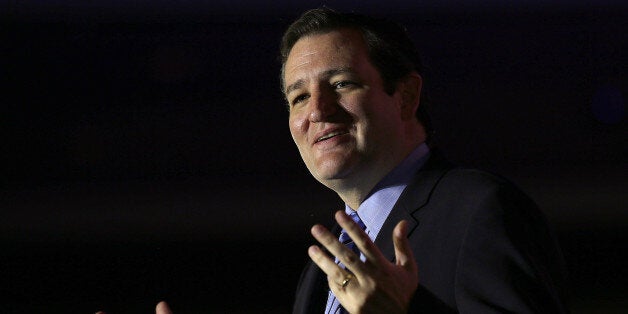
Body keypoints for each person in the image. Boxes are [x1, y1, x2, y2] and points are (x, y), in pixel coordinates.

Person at [281, 8, 569, 314]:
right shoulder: (318, 273)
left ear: (406, 96)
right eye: (299, 98)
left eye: (341, 84)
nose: (317, 111)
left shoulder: (480, 211)